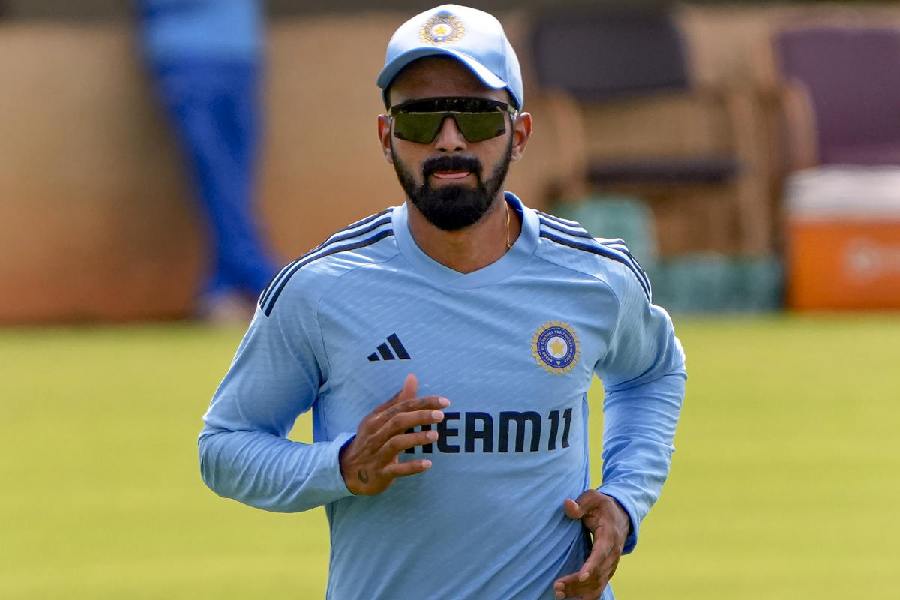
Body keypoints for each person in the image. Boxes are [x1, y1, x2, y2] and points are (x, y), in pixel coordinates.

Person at [199, 5, 686, 599]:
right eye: (420, 117)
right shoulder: (322, 287)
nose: (449, 139)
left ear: (520, 133)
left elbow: (652, 373)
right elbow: (225, 447)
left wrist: (624, 499)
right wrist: (342, 466)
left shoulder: (593, 276)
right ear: (386, 137)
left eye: (478, 116)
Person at [136, 0, 278, 319]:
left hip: (243, 55)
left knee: (236, 182)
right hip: (187, 58)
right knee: (217, 176)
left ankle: (220, 289)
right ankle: (265, 279)